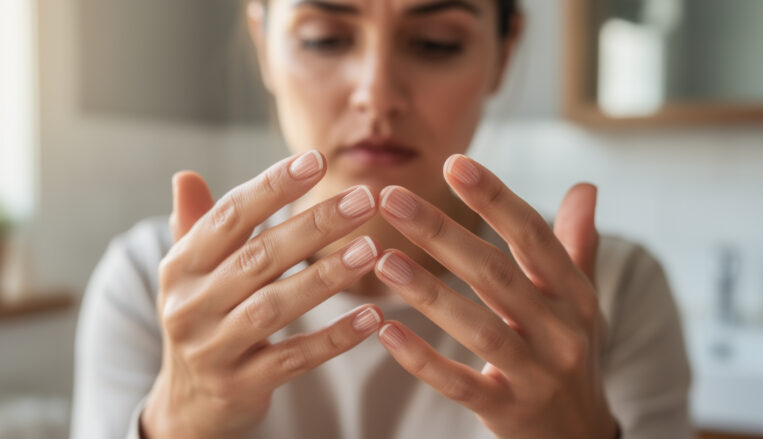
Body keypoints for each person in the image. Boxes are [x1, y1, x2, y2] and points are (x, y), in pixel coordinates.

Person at [70, 0, 693, 438]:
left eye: (435, 43)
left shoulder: (609, 294)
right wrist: (177, 425)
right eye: (324, 37)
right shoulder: (153, 285)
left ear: (504, 54)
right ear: (264, 41)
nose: (376, 91)